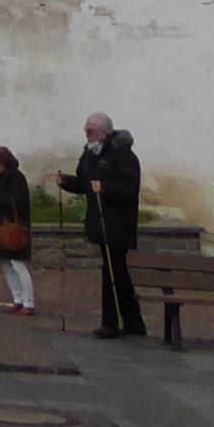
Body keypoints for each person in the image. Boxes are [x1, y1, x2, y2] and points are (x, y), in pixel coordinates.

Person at [58, 113, 144, 338]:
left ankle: (112, 323)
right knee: (115, 272)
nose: (87, 135)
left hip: (118, 224)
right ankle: (133, 323)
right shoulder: (89, 154)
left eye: (91, 131)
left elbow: (129, 188)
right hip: (100, 222)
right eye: (86, 130)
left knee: (114, 273)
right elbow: (85, 184)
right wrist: (67, 182)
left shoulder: (123, 155)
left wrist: (105, 187)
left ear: (104, 133)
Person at [0, 145, 36, 316]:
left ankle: (29, 302)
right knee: (6, 264)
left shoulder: (17, 178)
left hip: (14, 227)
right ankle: (17, 299)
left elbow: (18, 202)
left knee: (18, 264)